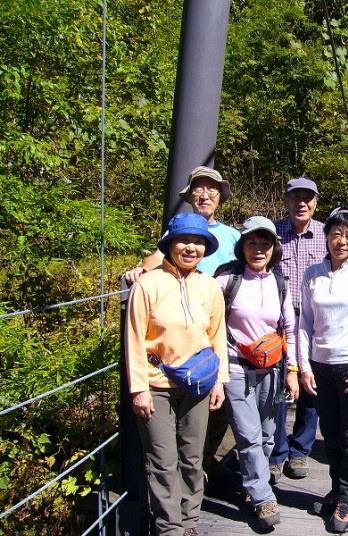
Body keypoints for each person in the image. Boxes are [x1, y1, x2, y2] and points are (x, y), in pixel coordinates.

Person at [125, 212, 229, 536]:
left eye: (198, 242)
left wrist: (220, 382)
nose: (191, 248)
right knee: (161, 459)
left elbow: (217, 336)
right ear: (170, 243)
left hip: (198, 384)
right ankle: (169, 527)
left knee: (193, 456)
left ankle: (189, 520)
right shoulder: (147, 285)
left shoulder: (209, 286)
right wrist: (139, 389)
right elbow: (134, 339)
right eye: (184, 240)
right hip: (156, 384)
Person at [299, 204, 348, 533]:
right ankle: (338, 488)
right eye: (336, 234)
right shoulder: (312, 274)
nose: (341, 241)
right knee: (331, 435)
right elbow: (304, 323)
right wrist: (304, 366)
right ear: (326, 236)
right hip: (321, 367)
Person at [214, 216, 300, 528]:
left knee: (266, 435)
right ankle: (264, 498)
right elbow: (208, 321)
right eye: (252, 242)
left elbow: (290, 328)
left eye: (265, 243)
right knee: (248, 435)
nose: (258, 249)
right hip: (235, 368)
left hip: (271, 370)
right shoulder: (226, 280)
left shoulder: (280, 283)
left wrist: (293, 370)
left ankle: (254, 485)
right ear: (242, 246)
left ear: (274, 248)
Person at [269, 177, 325, 483]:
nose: (301, 203)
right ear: (287, 200)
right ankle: (276, 452)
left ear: (315, 201)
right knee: (279, 385)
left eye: (307, 198)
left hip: (315, 320)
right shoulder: (272, 233)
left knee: (310, 384)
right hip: (279, 321)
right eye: (295, 197)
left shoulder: (327, 234)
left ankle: (300, 449)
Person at [123, 166, 241, 284]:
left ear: (220, 196)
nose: (205, 196)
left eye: (212, 190)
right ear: (189, 196)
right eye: (198, 190)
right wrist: (143, 270)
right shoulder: (178, 230)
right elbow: (158, 257)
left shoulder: (234, 235)